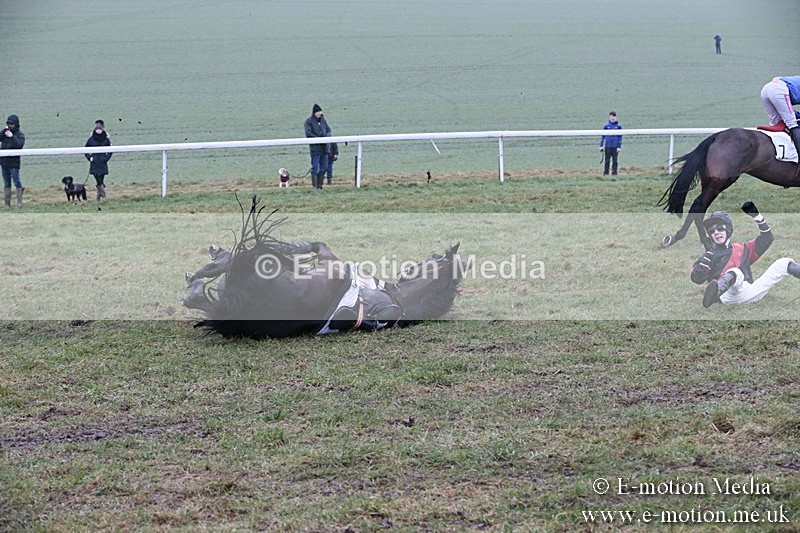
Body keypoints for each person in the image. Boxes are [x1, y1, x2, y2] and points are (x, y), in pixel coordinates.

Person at [691, 202, 800, 307]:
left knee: (783, 263)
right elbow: (696, 279)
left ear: (728, 229)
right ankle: (715, 295)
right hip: (727, 297)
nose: (716, 232)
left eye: (720, 228)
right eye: (711, 231)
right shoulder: (708, 256)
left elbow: (767, 238)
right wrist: (701, 270)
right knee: (735, 272)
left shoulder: (742, 248)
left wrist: (757, 216)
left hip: (749, 292)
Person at [760, 76, 800, 156]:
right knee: (792, 124)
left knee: (777, 124)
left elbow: (787, 112)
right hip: (779, 90)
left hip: (766, 89)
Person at [303, 104, 331, 189]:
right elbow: (308, 133)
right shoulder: (308, 122)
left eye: (320, 111)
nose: (320, 113)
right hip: (315, 148)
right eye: (318, 111)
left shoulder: (323, 120)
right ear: (314, 113)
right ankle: (314, 186)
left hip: (324, 148)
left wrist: (326, 138)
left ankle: (319, 185)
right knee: (315, 167)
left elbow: (328, 130)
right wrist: (319, 139)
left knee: (324, 167)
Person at [1, 114, 26, 208]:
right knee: (7, 183)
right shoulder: (5, 133)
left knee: (16, 182)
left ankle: (19, 203)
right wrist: (4, 130)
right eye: (8, 124)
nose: (10, 126)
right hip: (4, 162)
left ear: (16, 124)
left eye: (11, 124)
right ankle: (7, 204)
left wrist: (12, 137)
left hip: (14, 163)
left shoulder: (20, 135)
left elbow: (19, 145)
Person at [84, 119, 112, 200]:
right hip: (94, 161)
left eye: (99, 129)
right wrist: (90, 158)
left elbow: (110, 150)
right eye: (97, 129)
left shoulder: (106, 139)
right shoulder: (91, 139)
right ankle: (102, 195)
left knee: (101, 178)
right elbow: (85, 150)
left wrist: (106, 158)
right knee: (98, 179)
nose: (98, 131)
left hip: (102, 162)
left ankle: (99, 195)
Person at [599, 111, 622, 175]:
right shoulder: (606, 126)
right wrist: (601, 145)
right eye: (611, 116)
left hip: (615, 147)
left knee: (615, 161)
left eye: (614, 116)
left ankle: (614, 174)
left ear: (616, 117)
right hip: (608, 146)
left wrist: (619, 147)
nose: (612, 118)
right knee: (607, 161)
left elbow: (620, 137)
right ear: (609, 117)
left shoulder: (618, 126)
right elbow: (602, 136)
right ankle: (606, 174)